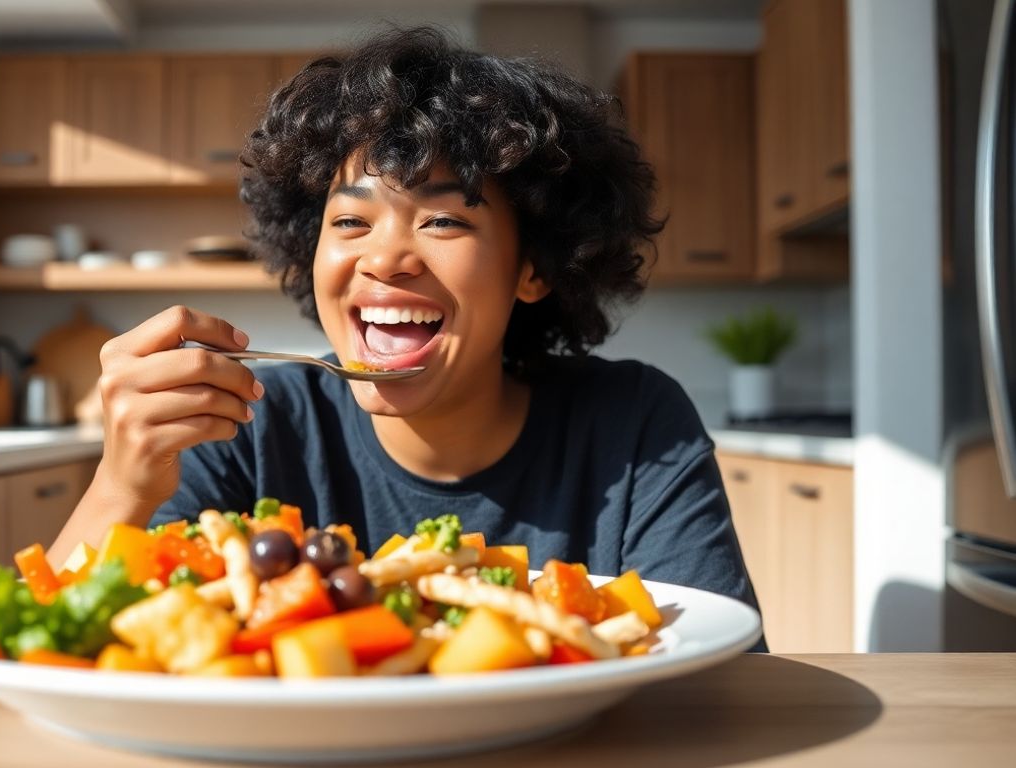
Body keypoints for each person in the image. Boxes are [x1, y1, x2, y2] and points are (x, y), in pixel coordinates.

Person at [47, 26, 762, 642]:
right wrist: (121, 484)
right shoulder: (246, 423)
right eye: (350, 223)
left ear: (534, 270)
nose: (385, 258)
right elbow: (54, 644)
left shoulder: (634, 425)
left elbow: (714, 677)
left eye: (445, 220)